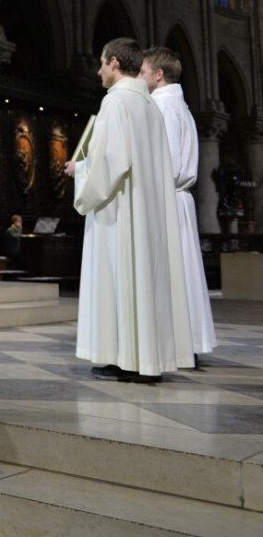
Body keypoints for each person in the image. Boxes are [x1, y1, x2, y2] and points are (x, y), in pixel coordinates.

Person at [65, 38, 194, 383]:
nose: (99, 71)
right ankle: (137, 357)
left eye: (102, 63)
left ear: (116, 64)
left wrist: (82, 176)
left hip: (120, 211)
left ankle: (128, 360)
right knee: (142, 280)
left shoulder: (116, 102)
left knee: (121, 278)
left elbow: (111, 163)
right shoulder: (150, 105)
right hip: (146, 209)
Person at [140, 46, 217, 362]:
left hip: (166, 197)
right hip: (176, 199)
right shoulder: (177, 105)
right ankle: (187, 343)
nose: (140, 77)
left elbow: (168, 164)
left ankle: (179, 344)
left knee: (173, 273)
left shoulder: (165, 108)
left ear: (159, 75)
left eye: (143, 71)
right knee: (182, 272)